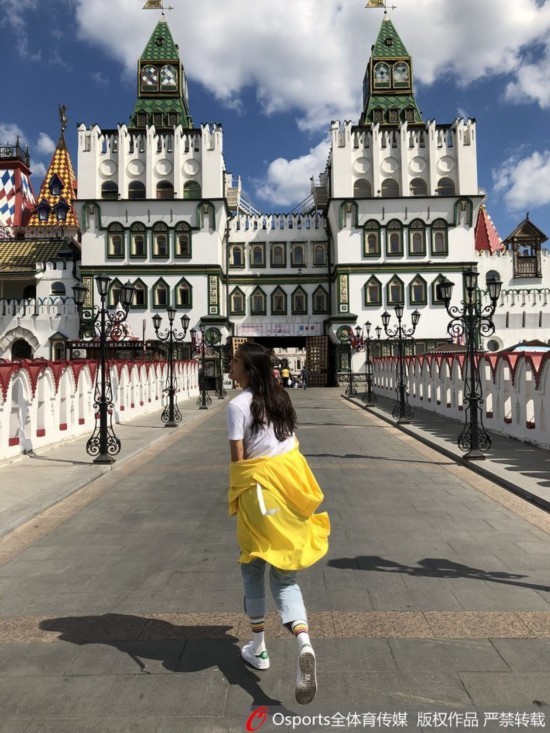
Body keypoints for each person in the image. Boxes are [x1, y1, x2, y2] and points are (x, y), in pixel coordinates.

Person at [226, 343, 330, 705]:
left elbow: (239, 461)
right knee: (285, 578)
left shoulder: (238, 405)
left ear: (249, 369)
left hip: (259, 493)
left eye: (235, 361)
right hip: (290, 489)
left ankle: (259, 647)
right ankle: (303, 641)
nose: (230, 364)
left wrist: (236, 498)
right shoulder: (281, 398)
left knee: (253, 566)